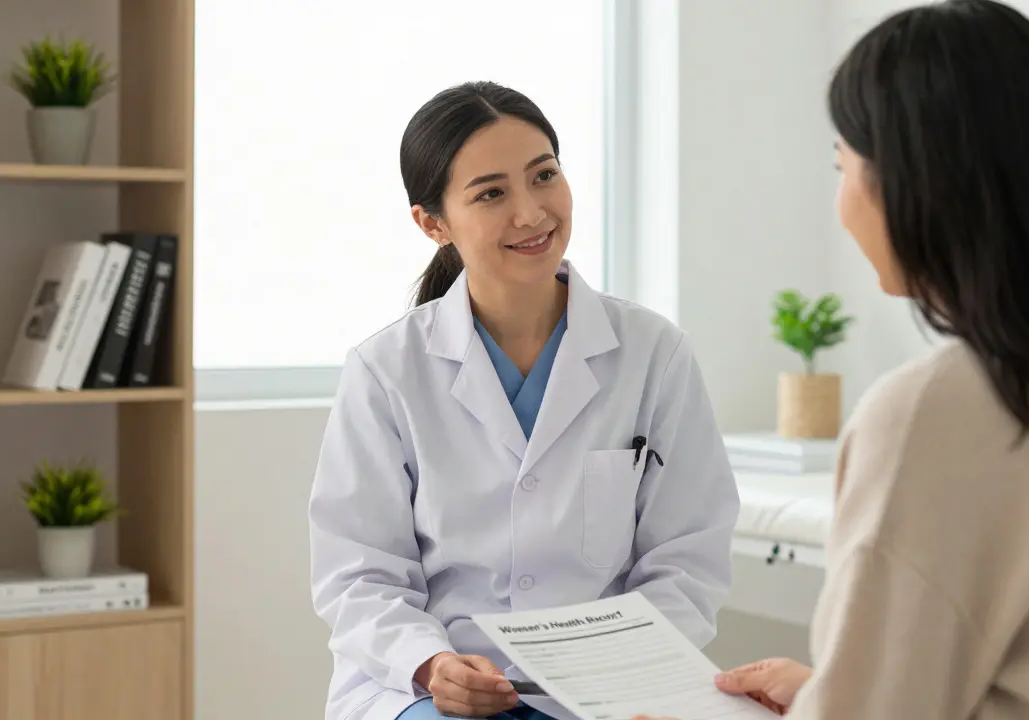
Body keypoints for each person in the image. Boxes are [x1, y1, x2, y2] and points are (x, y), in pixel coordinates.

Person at [638, 1, 1029, 718]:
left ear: (912, 180)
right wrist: (825, 691)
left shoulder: (937, 411)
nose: (841, 201)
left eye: (842, 165)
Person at [308, 80, 741, 720]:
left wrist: (617, 668)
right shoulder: (386, 372)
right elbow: (359, 576)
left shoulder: (654, 353)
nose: (532, 212)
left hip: (608, 687)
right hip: (434, 688)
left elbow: (688, 556)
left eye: (544, 176)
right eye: (491, 193)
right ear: (433, 223)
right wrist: (430, 664)